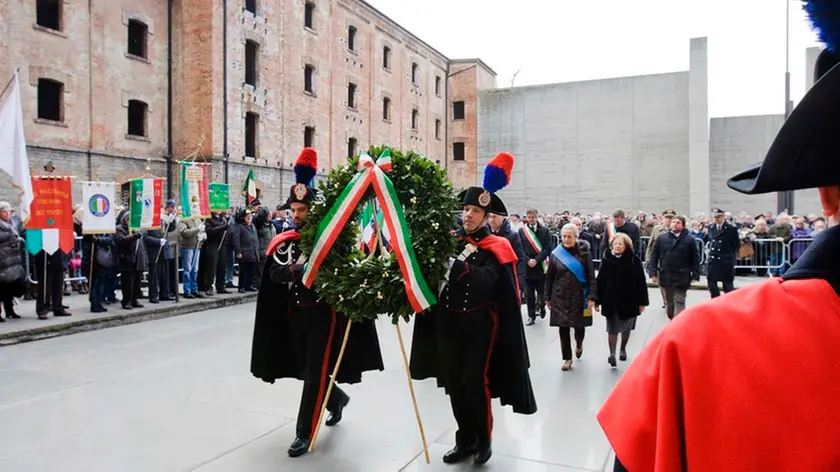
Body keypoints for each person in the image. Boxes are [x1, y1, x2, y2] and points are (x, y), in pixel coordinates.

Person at [599, 15, 840, 470]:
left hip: (696, 279)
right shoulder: (687, 332)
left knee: (679, 310)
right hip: (669, 280)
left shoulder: (695, 350)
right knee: (673, 306)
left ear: (826, 194)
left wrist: (689, 274)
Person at [251, 147, 384, 458]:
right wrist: (302, 270)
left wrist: (298, 271)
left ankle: (303, 434)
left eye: (302, 210)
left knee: (313, 373)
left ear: (313, 212)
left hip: (324, 318)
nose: (296, 215)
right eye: (293, 210)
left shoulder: (330, 241)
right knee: (309, 370)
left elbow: (341, 272)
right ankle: (336, 399)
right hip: (294, 317)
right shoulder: (284, 239)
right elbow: (273, 274)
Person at [410, 152, 537, 465]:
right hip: (448, 324)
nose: (467, 215)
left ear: (486, 215)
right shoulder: (451, 240)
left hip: (480, 328)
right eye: (465, 208)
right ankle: (463, 439)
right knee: (454, 384)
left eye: (474, 210)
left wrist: (455, 266)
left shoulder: (498, 246)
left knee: (474, 383)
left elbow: (488, 282)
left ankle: (483, 439)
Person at [545, 223, 597, 371]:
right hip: (559, 296)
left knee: (579, 326)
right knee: (563, 328)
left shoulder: (584, 253)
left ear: (576, 237)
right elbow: (549, 277)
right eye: (564, 236)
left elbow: (590, 275)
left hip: (580, 296)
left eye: (569, 236)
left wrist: (592, 296)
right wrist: (547, 297)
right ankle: (567, 358)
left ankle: (579, 344)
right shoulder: (556, 254)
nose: (566, 239)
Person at [595, 232, 649, 368]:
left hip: (629, 299)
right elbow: (600, 280)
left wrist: (642, 302)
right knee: (612, 328)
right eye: (615, 244)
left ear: (626, 246)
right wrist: (597, 300)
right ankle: (612, 354)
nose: (617, 246)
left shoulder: (633, 260)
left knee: (626, 326)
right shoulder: (606, 260)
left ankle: (623, 348)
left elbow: (640, 281)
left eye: (620, 244)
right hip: (610, 299)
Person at [647, 216, 699, 320]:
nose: (675, 224)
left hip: (682, 276)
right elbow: (654, 256)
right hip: (666, 276)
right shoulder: (662, 238)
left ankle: (679, 325)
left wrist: (695, 275)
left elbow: (695, 259)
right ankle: (673, 321)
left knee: (679, 301)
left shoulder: (690, 240)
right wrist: (653, 273)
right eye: (673, 222)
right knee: (669, 304)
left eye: (678, 223)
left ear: (683, 225)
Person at [519, 208, 552, 325]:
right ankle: (531, 315)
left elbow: (548, 248)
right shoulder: (522, 231)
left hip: (540, 266)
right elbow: (519, 248)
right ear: (526, 218)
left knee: (541, 292)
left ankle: (541, 306)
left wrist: (537, 260)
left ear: (537, 216)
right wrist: (528, 260)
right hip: (527, 267)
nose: (531, 219)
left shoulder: (545, 231)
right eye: (529, 217)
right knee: (529, 294)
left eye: (533, 217)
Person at [487, 212, 527, 301]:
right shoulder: (485, 234)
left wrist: (520, 281)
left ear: (503, 217)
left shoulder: (512, 235)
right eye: (489, 217)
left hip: (506, 277)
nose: (491, 220)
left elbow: (520, 258)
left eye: (494, 217)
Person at [114, 209, 148, 310]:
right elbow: (120, 240)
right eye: (129, 219)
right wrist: (133, 236)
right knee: (128, 282)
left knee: (137, 281)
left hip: (137, 258)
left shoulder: (136, 228)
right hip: (126, 258)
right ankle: (126, 301)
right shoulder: (119, 229)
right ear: (125, 219)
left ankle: (134, 299)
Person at [705, 207, 739, 298]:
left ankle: (728, 304)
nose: (716, 219)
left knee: (727, 286)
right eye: (714, 217)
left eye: (718, 217)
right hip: (713, 259)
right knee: (711, 283)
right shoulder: (711, 227)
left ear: (723, 216)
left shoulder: (731, 228)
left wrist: (728, 254)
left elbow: (735, 244)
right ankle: (716, 301)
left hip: (725, 259)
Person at [0, 201, 25, 321]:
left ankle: (10, 310)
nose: (7, 214)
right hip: (2, 260)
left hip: (12, 260)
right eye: (4, 211)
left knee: (10, 288)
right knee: (1, 288)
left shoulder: (12, 224)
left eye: (8, 211)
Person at [232, 208, 259, 292]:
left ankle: (248, 285)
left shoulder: (253, 226)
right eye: (247, 216)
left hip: (253, 252)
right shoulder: (240, 226)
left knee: (251, 270)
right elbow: (236, 239)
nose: (249, 218)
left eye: (250, 216)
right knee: (243, 271)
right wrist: (238, 251)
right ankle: (242, 286)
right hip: (244, 252)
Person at [178, 216, 204, 298]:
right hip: (187, 246)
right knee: (187, 269)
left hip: (197, 246)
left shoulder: (198, 220)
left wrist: (203, 236)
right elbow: (185, 233)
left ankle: (194, 289)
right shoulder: (184, 220)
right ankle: (187, 290)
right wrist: (197, 229)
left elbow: (202, 231)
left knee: (195, 269)